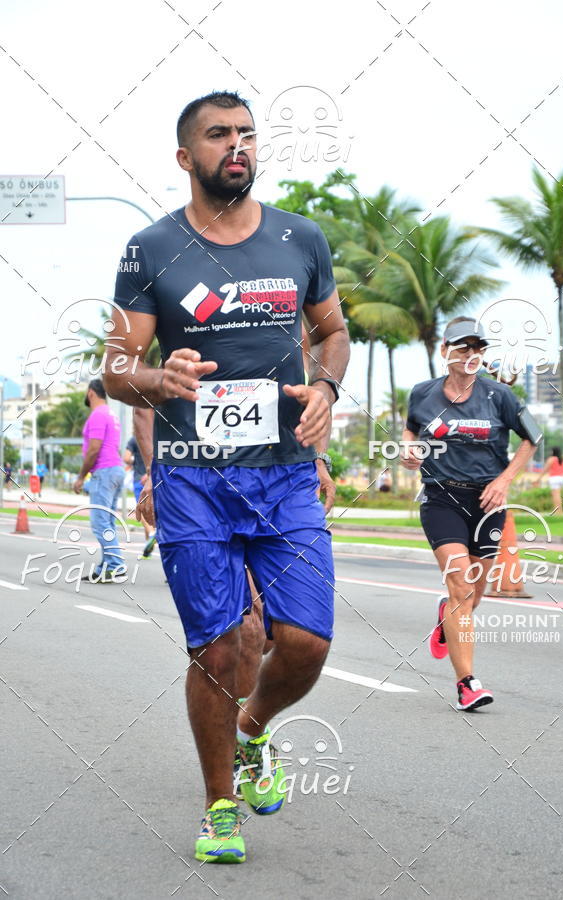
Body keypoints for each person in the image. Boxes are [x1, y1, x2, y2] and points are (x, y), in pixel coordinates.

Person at [103, 90, 349, 864]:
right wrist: (157, 375)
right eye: (218, 136)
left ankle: (251, 733)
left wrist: (328, 390)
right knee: (216, 652)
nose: (236, 146)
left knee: (304, 642)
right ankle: (219, 808)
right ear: (187, 157)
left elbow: (333, 332)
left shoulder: (298, 238)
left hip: (283, 477)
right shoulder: (152, 249)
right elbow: (113, 368)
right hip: (192, 478)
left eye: (246, 134)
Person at [401, 316, 539, 711]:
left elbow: (533, 438)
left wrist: (505, 481)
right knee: (461, 586)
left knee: (473, 593)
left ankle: (448, 615)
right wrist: (409, 450)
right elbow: (411, 429)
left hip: (488, 502)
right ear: (445, 352)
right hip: (442, 498)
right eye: (463, 348)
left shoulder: (500, 396)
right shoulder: (423, 394)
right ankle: (467, 684)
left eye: (478, 349)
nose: (471, 356)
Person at [74, 379, 126, 582]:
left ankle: (116, 564)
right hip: (115, 469)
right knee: (108, 523)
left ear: (90, 393)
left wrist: (80, 477)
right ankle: (105, 567)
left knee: (99, 523)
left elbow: (94, 448)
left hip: (104, 472)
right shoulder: (111, 414)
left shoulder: (98, 415)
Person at [124, 433, 156, 558]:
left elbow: (126, 458)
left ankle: (152, 533)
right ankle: (147, 551)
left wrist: (135, 460)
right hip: (155, 477)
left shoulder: (135, 439)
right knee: (150, 508)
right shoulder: (156, 436)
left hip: (140, 479)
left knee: (142, 510)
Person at [536, 446, 563, 512]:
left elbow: (545, 470)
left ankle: (557, 511)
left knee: (555, 495)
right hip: (562, 478)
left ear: (553, 451)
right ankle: (560, 510)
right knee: (559, 495)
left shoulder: (551, 459)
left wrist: (538, 479)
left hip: (554, 478)